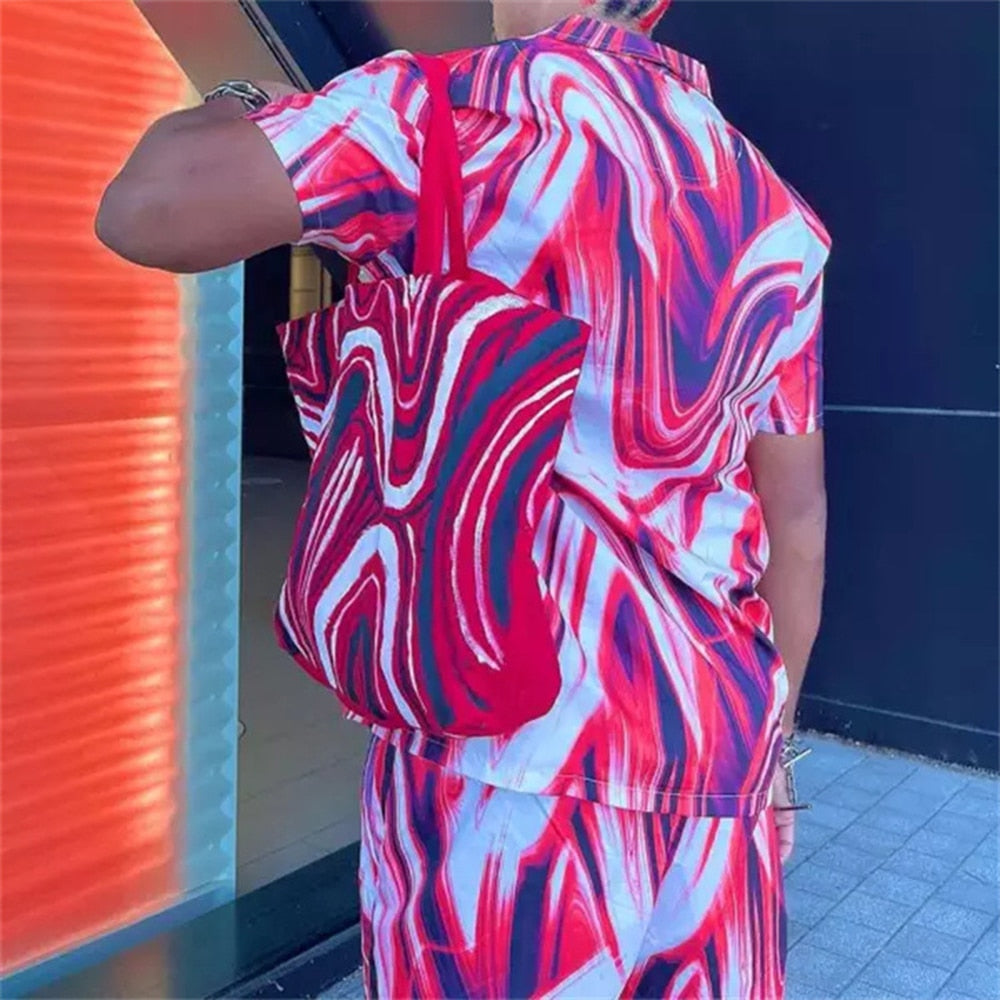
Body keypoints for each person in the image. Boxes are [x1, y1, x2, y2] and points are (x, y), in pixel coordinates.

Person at [97, 0, 828, 995]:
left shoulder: (444, 112)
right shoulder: (770, 207)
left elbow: (146, 207)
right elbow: (795, 517)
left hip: (503, 768)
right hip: (715, 753)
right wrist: (772, 753)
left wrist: (242, 97)